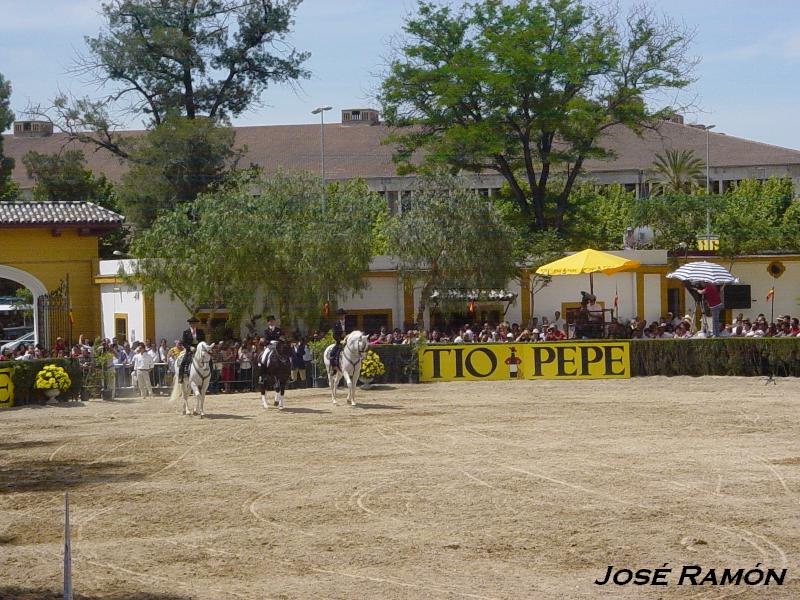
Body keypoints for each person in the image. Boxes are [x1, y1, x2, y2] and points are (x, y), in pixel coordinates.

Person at [179, 317, 205, 382]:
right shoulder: (185, 332)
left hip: (199, 349)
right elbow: (184, 342)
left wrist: (199, 347)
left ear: (196, 324)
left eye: (194, 323)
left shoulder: (200, 331)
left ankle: (210, 376)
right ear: (190, 324)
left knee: (208, 360)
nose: (193, 324)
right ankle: (180, 377)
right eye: (192, 323)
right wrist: (190, 347)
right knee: (183, 362)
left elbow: (203, 340)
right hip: (190, 349)